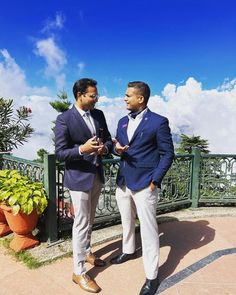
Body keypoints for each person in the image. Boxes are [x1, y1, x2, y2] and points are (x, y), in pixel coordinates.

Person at [110, 81, 174, 295]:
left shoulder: (158, 122)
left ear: (141, 99)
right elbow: (115, 146)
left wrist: (155, 180)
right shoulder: (121, 122)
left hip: (146, 184)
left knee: (148, 231)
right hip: (123, 182)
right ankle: (128, 250)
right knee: (126, 222)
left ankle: (152, 277)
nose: (124, 98)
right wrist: (115, 149)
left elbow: (168, 154)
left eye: (128, 95)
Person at [55, 78, 112, 293]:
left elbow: (107, 139)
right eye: (92, 95)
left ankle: (87, 252)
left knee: (90, 219)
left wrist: (103, 149)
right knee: (80, 223)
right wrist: (83, 149)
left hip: (96, 175)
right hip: (78, 179)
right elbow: (60, 153)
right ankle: (78, 272)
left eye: (96, 95)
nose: (96, 99)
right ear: (80, 95)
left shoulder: (98, 114)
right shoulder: (64, 119)